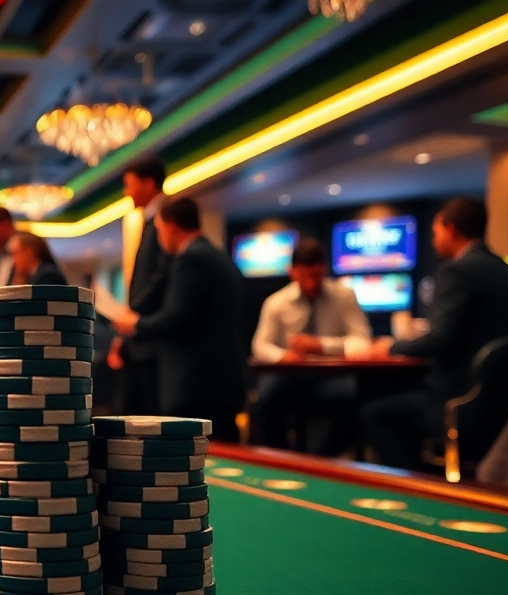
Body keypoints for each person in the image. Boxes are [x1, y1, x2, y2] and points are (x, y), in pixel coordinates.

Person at [362, 197, 508, 471]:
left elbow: (440, 338)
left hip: (457, 401)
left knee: (375, 413)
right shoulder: (506, 270)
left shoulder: (457, 270)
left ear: (451, 229)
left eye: (435, 232)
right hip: (501, 407)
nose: (434, 240)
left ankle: (418, 486)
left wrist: (391, 348)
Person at [111, 196, 246, 442]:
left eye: (160, 230)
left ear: (171, 226)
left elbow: (176, 317)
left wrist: (136, 325)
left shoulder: (190, 259)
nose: (160, 238)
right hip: (221, 383)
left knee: (198, 465)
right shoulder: (216, 255)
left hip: (196, 385)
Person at [251, 238, 372, 453]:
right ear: (293, 272)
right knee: (265, 399)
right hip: (288, 376)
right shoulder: (276, 303)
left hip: (330, 377)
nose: (311, 284)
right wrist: (283, 356)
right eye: (306, 276)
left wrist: (321, 346)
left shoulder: (344, 296)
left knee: (352, 398)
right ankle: (282, 460)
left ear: (324, 269)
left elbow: (363, 342)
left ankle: (322, 461)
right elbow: (259, 346)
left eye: (317, 276)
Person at [108, 156, 169, 417]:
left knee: (151, 415)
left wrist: (133, 314)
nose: (127, 192)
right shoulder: (145, 221)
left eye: (129, 185)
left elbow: (160, 277)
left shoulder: (166, 218)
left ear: (149, 183)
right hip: (138, 336)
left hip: (151, 336)